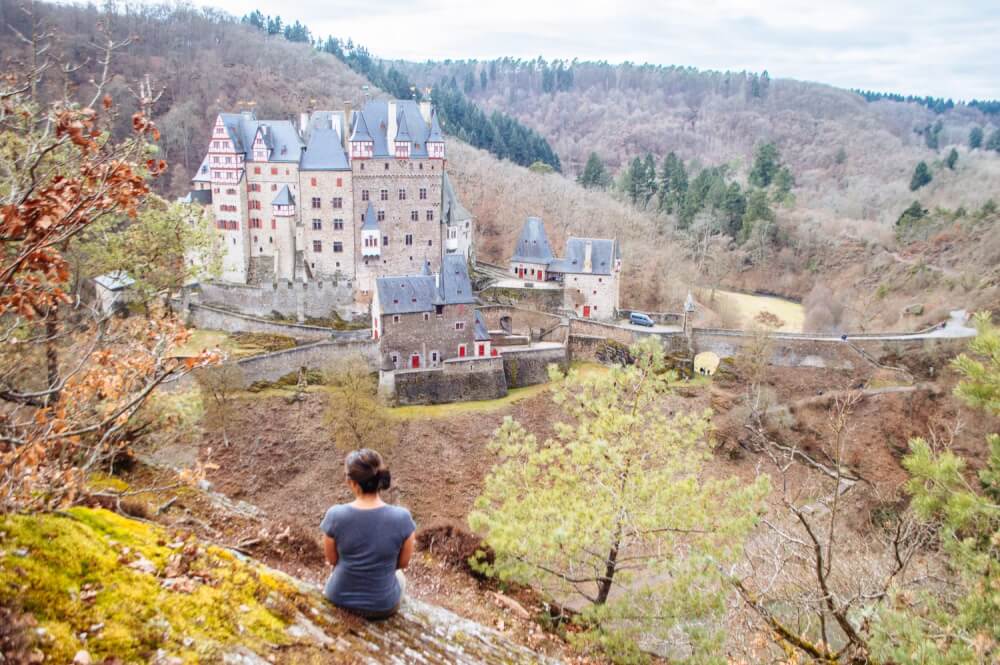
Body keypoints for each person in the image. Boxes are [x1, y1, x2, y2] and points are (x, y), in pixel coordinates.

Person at [320, 449, 416, 619]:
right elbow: (402, 563)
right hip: (382, 606)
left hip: (338, 598)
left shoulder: (335, 515)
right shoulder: (402, 518)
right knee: (400, 577)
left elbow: (332, 560)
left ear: (352, 483)